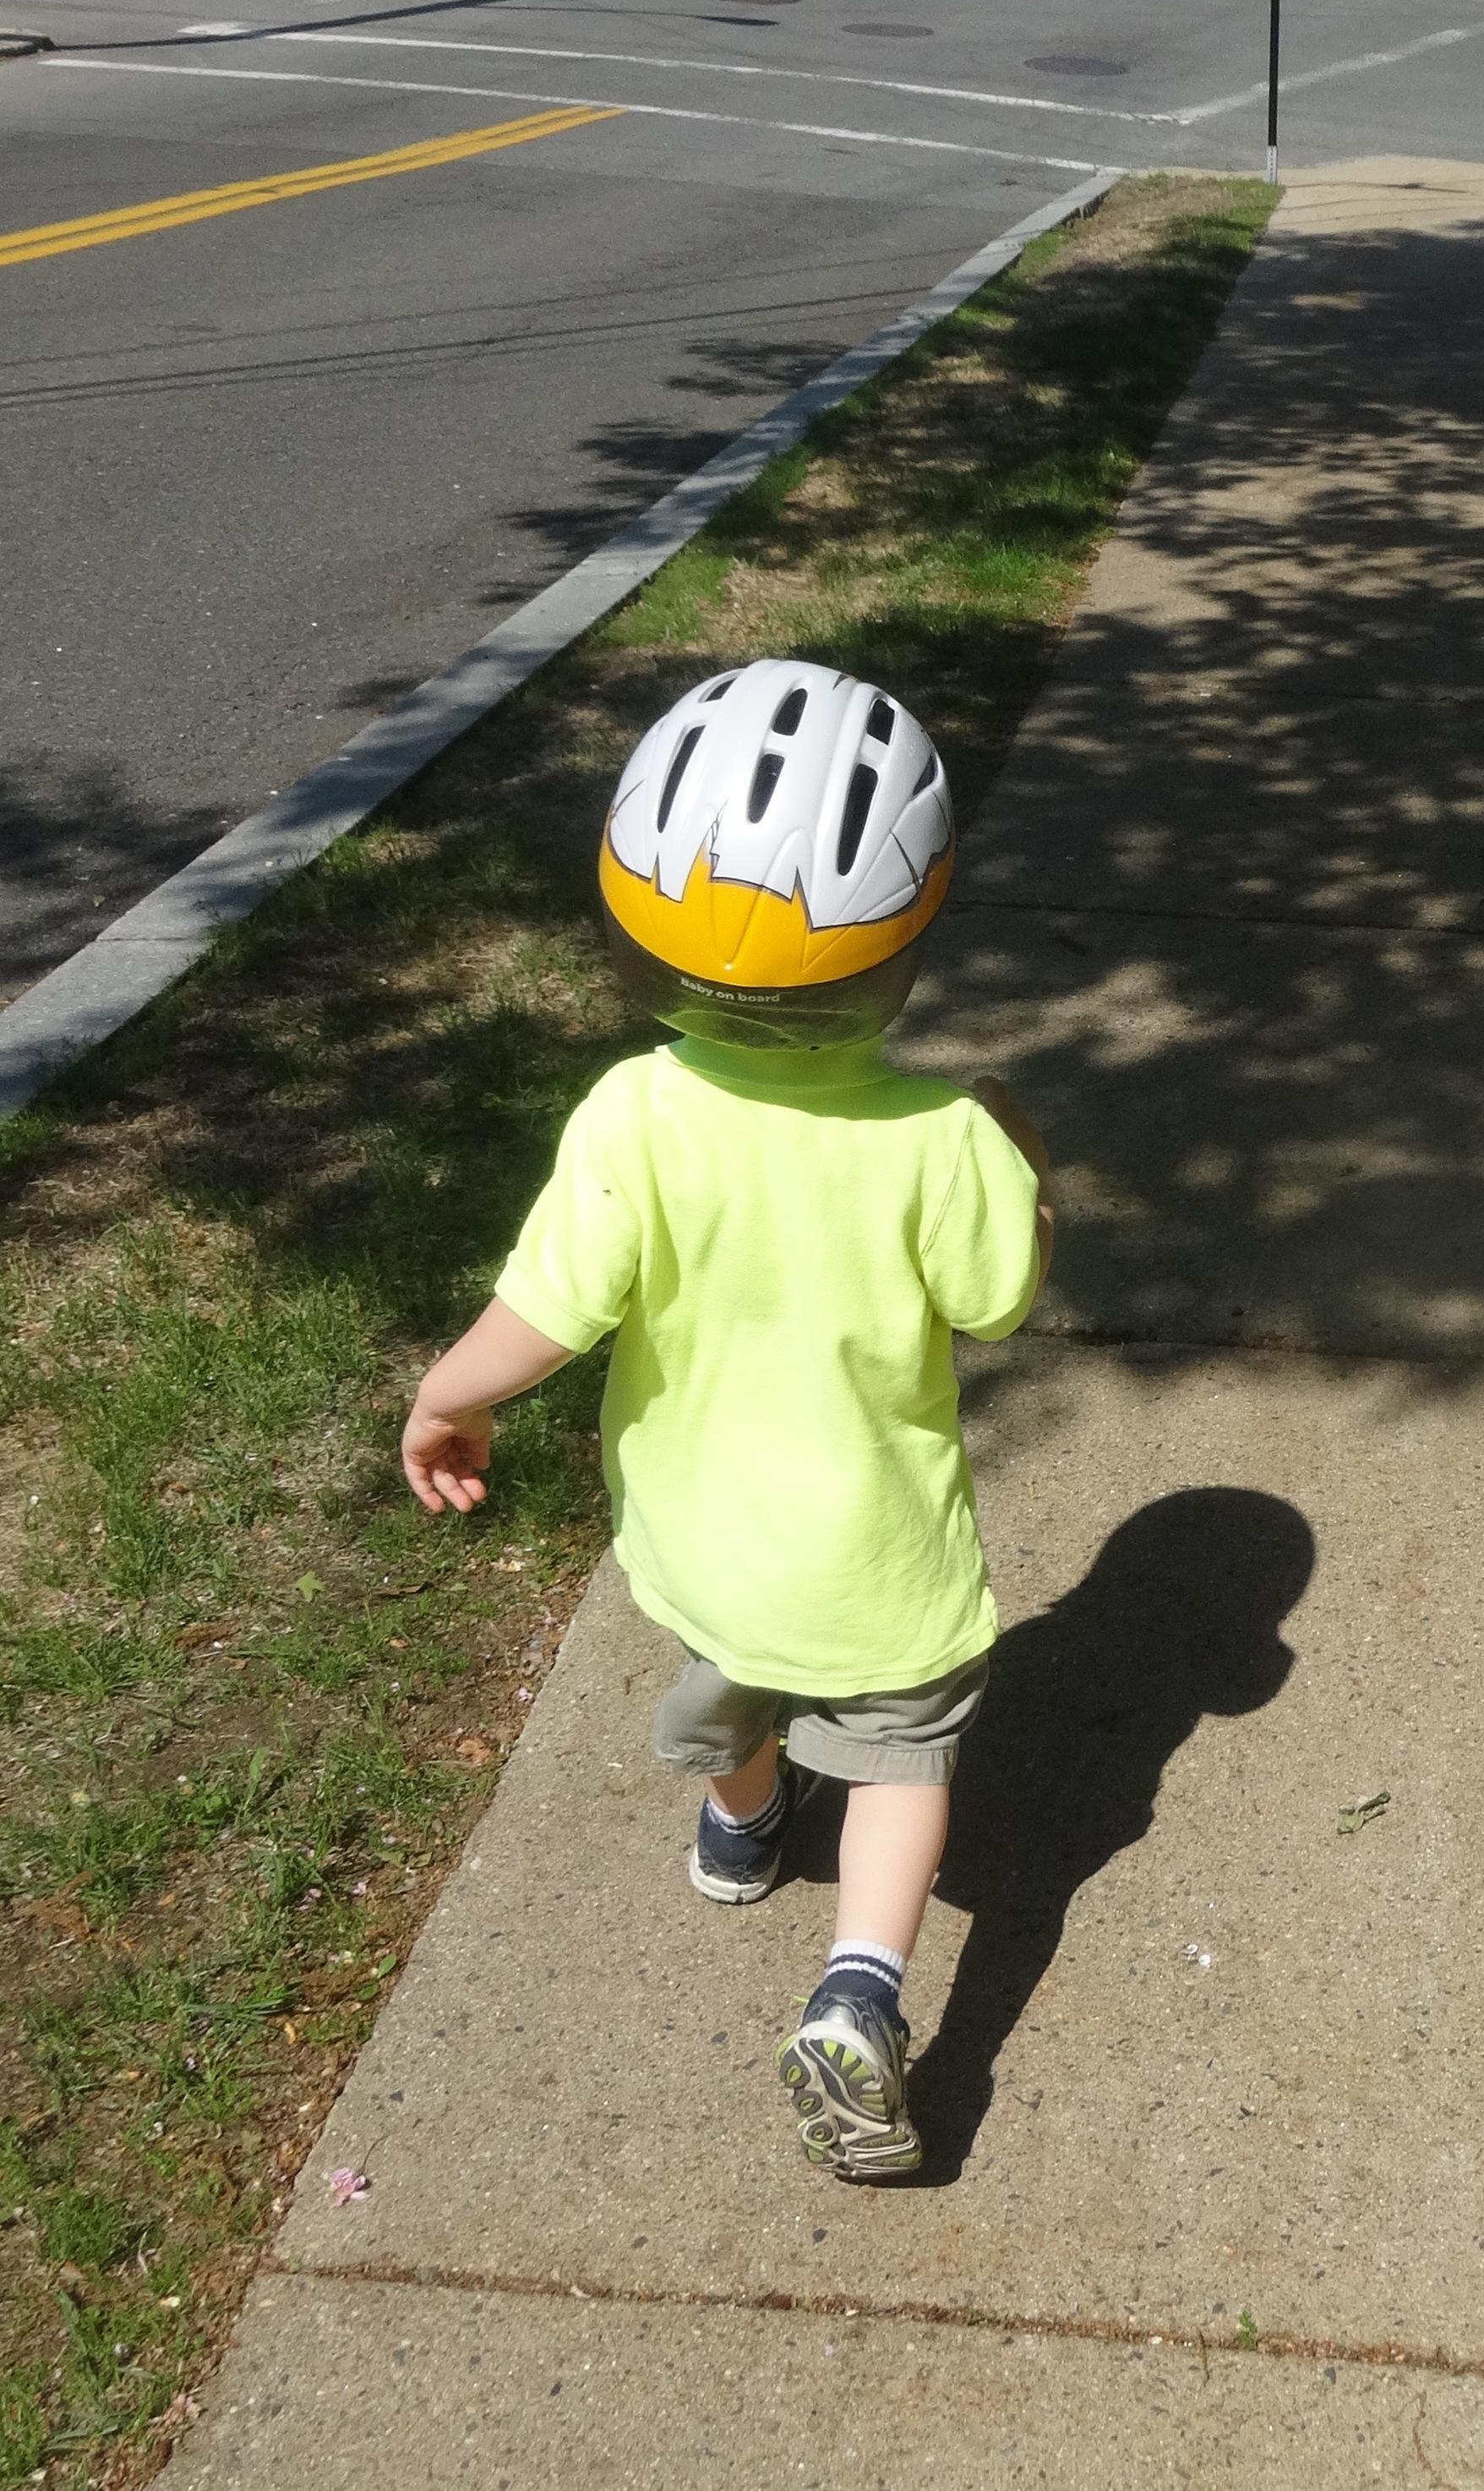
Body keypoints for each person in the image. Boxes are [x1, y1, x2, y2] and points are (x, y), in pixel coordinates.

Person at [398, 658, 1053, 2183]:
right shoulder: (945, 1137)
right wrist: (1018, 1164)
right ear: (914, 929)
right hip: (877, 1562)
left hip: (702, 1535)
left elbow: (547, 1312)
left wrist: (445, 1396)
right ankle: (857, 1995)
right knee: (899, 1762)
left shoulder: (633, 1113)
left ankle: (742, 1824)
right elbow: (999, 1301)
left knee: (732, 1669)